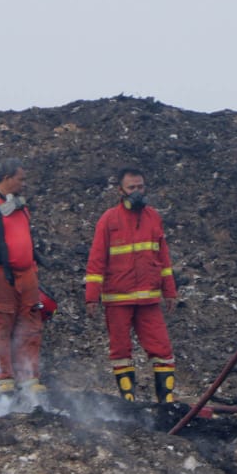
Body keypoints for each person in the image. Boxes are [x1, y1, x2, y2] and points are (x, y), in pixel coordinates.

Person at [84, 168, 178, 402]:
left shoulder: (154, 217)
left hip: (148, 299)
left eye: (140, 187)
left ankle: (165, 404)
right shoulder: (109, 220)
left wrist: (170, 291)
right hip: (118, 298)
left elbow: (163, 258)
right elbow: (96, 259)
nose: (137, 192)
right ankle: (129, 402)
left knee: (162, 349)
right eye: (131, 188)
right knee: (121, 351)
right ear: (120, 191)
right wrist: (91, 296)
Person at [0, 158, 45, 395]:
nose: (24, 184)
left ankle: (28, 377)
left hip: (26, 276)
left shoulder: (21, 209)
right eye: (20, 179)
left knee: (30, 326)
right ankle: (0, 378)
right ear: (6, 178)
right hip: (0, 275)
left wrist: (32, 269)